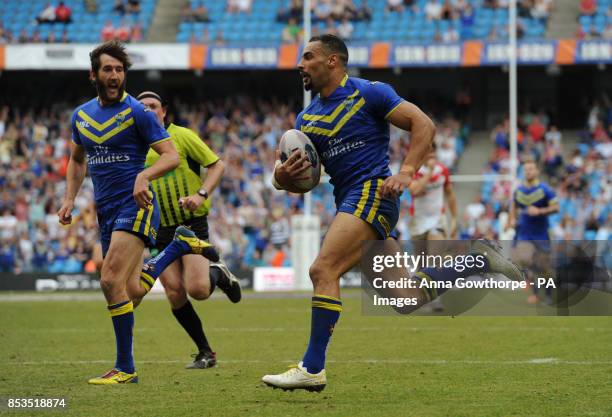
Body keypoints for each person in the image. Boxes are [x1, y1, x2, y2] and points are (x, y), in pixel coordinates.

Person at [263, 34, 523, 392]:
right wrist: (280, 179)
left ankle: (312, 368)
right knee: (406, 298)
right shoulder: (306, 119)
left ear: (333, 61)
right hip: (350, 201)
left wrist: (406, 172)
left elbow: (424, 124)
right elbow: (302, 180)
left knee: (322, 269)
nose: (300, 64)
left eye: (308, 57)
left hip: (373, 192)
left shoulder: (369, 93)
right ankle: (478, 260)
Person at [58, 40, 218, 385]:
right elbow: (75, 159)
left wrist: (143, 176)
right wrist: (70, 197)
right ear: (94, 74)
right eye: (108, 69)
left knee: (109, 280)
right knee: (129, 292)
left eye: (119, 70)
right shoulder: (81, 116)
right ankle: (178, 246)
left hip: (138, 206)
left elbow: (171, 155)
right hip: (106, 211)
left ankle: (125, 368)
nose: (114, 75)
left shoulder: (139, 113)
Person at [137, 91, 241, 369]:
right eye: (142, 107)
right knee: (173, 292)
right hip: (159, 229)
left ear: (163, 112)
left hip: (190, 224)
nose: (147, 110)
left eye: (153, 106)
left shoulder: (181, 136)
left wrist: (201, 195)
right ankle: (205, 352)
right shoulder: (134, 144)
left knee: (197, 289)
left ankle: (218, 273)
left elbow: (217, 164)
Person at [506, 158, 559, 304]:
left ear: (537, 171)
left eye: (531, 169)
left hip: (541, 234)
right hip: (524, 234)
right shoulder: (519, 191)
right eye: (526, 169)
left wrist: (540, 210)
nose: (528, 172)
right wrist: (511, 220)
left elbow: (556, 208)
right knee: (522, 259)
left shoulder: (545, 189)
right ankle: (534, 289)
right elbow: (513, 207)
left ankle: (547, 295)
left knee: (545, 268)